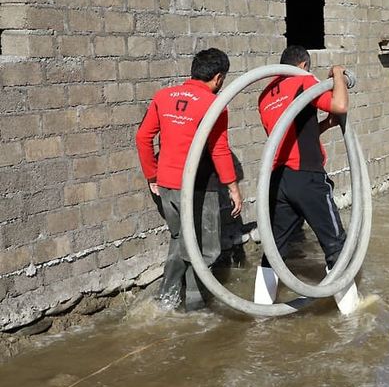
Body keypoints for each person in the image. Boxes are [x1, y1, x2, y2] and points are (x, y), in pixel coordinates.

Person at [135, 48, 243, 310]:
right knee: (204, 248)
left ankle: (169, 303)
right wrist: (233, 187)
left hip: (167, 184)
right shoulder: (214, 104)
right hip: (198, 186)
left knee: (180, 238)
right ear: (218, 78)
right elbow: (218, 149)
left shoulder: (164, 95)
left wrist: (152, 174)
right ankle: (192, 305)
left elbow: (143, 137)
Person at [254, 45, 358, 312]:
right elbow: (340, 104)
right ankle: (353, 316)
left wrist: (325, 125)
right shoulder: (304, 80)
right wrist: (337, 75)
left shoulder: (265, 95)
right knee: (336, 245)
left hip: (278, 180)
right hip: (307, 176)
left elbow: (289, 135)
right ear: (302, 65)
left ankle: (261, 313)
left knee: (274, 248)